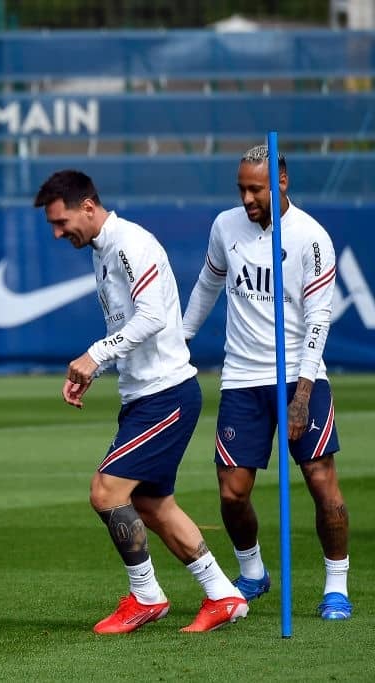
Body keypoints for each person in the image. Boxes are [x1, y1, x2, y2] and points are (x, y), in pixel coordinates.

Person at [34, 170, 247, 634]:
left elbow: (151, 317)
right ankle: (224, 595)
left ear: (87, 206)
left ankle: (147, 597)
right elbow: (127, 325)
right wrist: (98, 370)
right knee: (153, 505)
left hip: (166, 394)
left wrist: (94, 355)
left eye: (61, 220)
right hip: (145, 395)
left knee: (106, 492)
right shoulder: (103, 250)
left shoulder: (130, 243)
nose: (57, 232)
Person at [182, 145, 351, 620]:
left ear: (281, 183)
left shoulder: (311, 238)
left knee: (321, 482)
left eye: (255, 189)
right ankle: (253, 572)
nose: (247, 198)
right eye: (241, 188)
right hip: (242, 377)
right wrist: (182, 338)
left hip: (301, 376)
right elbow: (207, 285)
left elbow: (319, 319)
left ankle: (336, 586)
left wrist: (301, 394)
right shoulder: (225, 227)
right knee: (231, 491)